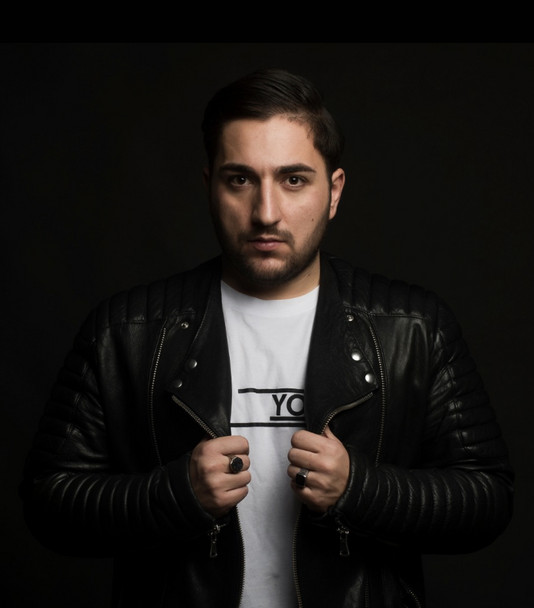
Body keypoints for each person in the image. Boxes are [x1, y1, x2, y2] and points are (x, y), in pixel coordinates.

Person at [20, 68, 514, 608]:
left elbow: (487, 499)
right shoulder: (126, 330)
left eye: (293, 180)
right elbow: (49, 503)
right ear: (209, 186)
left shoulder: (413, 326)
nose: (266, 213)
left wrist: (361, 489)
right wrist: (174, 495)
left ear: (334, 192)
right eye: (240, 180)